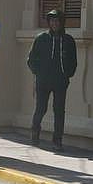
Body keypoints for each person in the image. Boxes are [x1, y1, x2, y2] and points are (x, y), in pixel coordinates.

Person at [28, 9, 78, 150]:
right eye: (52, 21)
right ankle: (35, 134)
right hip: (43, 80)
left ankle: (57, 140)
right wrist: (38, 72)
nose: (55, 24)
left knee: (59, 110)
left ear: (62, 23)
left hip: (60, 81)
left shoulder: (68, 41)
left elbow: (73, 61)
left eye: (57, 21)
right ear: (49, 23)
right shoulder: (41, 38)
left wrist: (67, 74)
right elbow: (31, 59)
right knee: (41, 108)